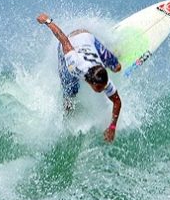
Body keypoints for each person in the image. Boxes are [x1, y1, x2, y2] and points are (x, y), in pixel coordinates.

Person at [36, 13, 122, 142]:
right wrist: (47, 21)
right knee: (70, 92)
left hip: (88, 37)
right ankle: (67, 116)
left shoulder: (103, 78)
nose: (102, 90)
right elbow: (64, 40)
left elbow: (117, 101)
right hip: (71, 42)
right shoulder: (75, 64)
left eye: (103, 87)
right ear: (92, 82)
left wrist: (112, 127)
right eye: (99, 88)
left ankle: (114, 58)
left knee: (117, 68)